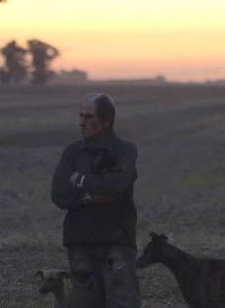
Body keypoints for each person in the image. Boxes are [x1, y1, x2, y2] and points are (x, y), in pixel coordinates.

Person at [51, 93, 141, 308]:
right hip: (80, 239)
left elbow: (117, 185)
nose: (82, 122)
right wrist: (93, 195)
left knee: (123, 301)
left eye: (89, 117)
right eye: (81, 116)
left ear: (107, 120)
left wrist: (80, 180)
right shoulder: (72, 152)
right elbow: (59, 193)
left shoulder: (125, 150)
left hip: (116, 238)